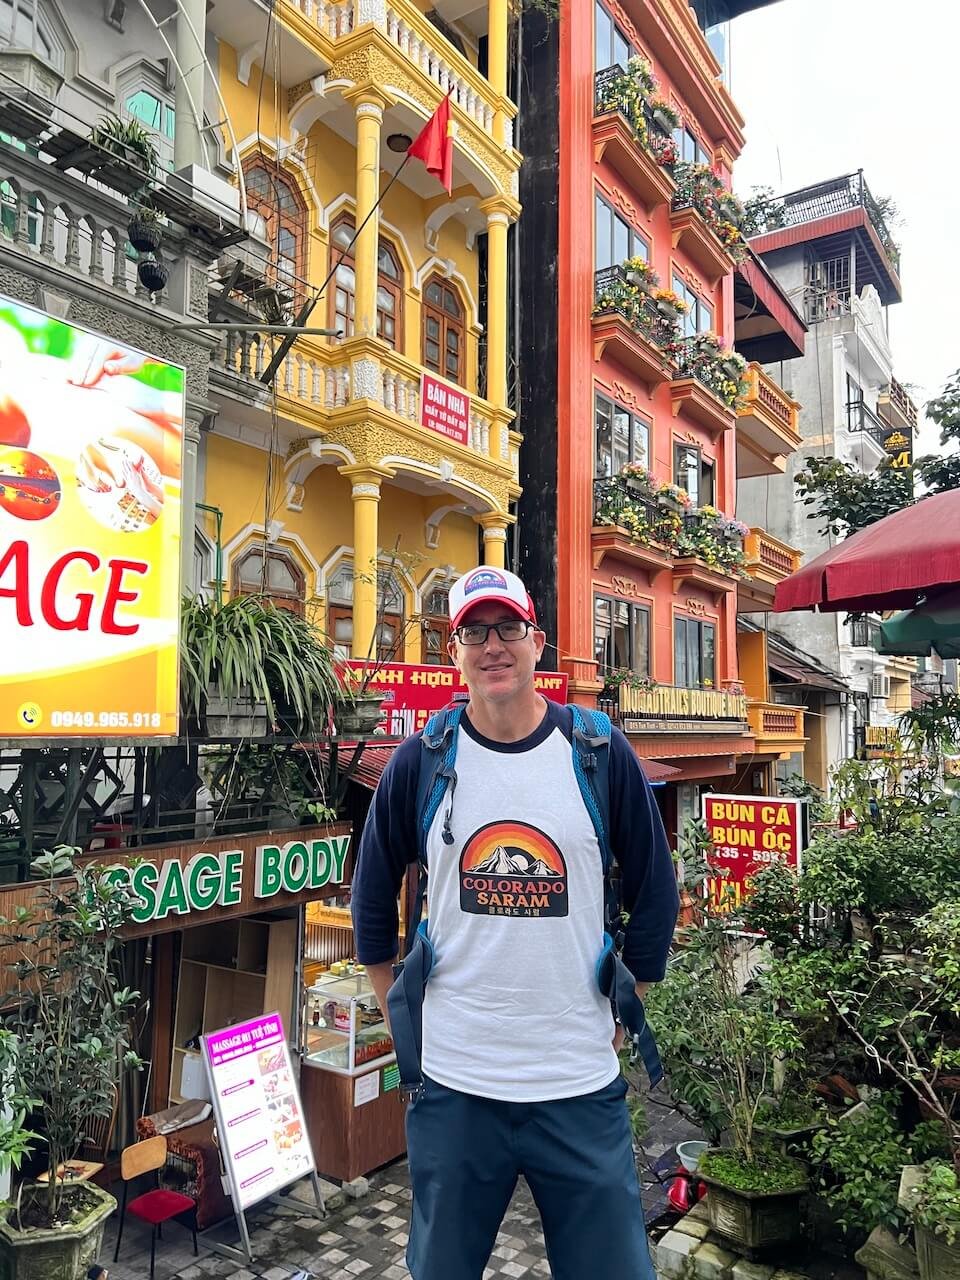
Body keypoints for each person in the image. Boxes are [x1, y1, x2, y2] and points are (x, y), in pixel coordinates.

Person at [351, 566, 679, 1280]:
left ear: (538, 643)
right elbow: (371, 904)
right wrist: (403, 1017)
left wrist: (629, 1007)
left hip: (578, 1085)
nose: (491, 645)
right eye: (474, 630)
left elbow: (656, 893)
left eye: (507, 628)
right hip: (456, 1090)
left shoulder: (596, 755)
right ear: (455, 649)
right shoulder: (421, 762)